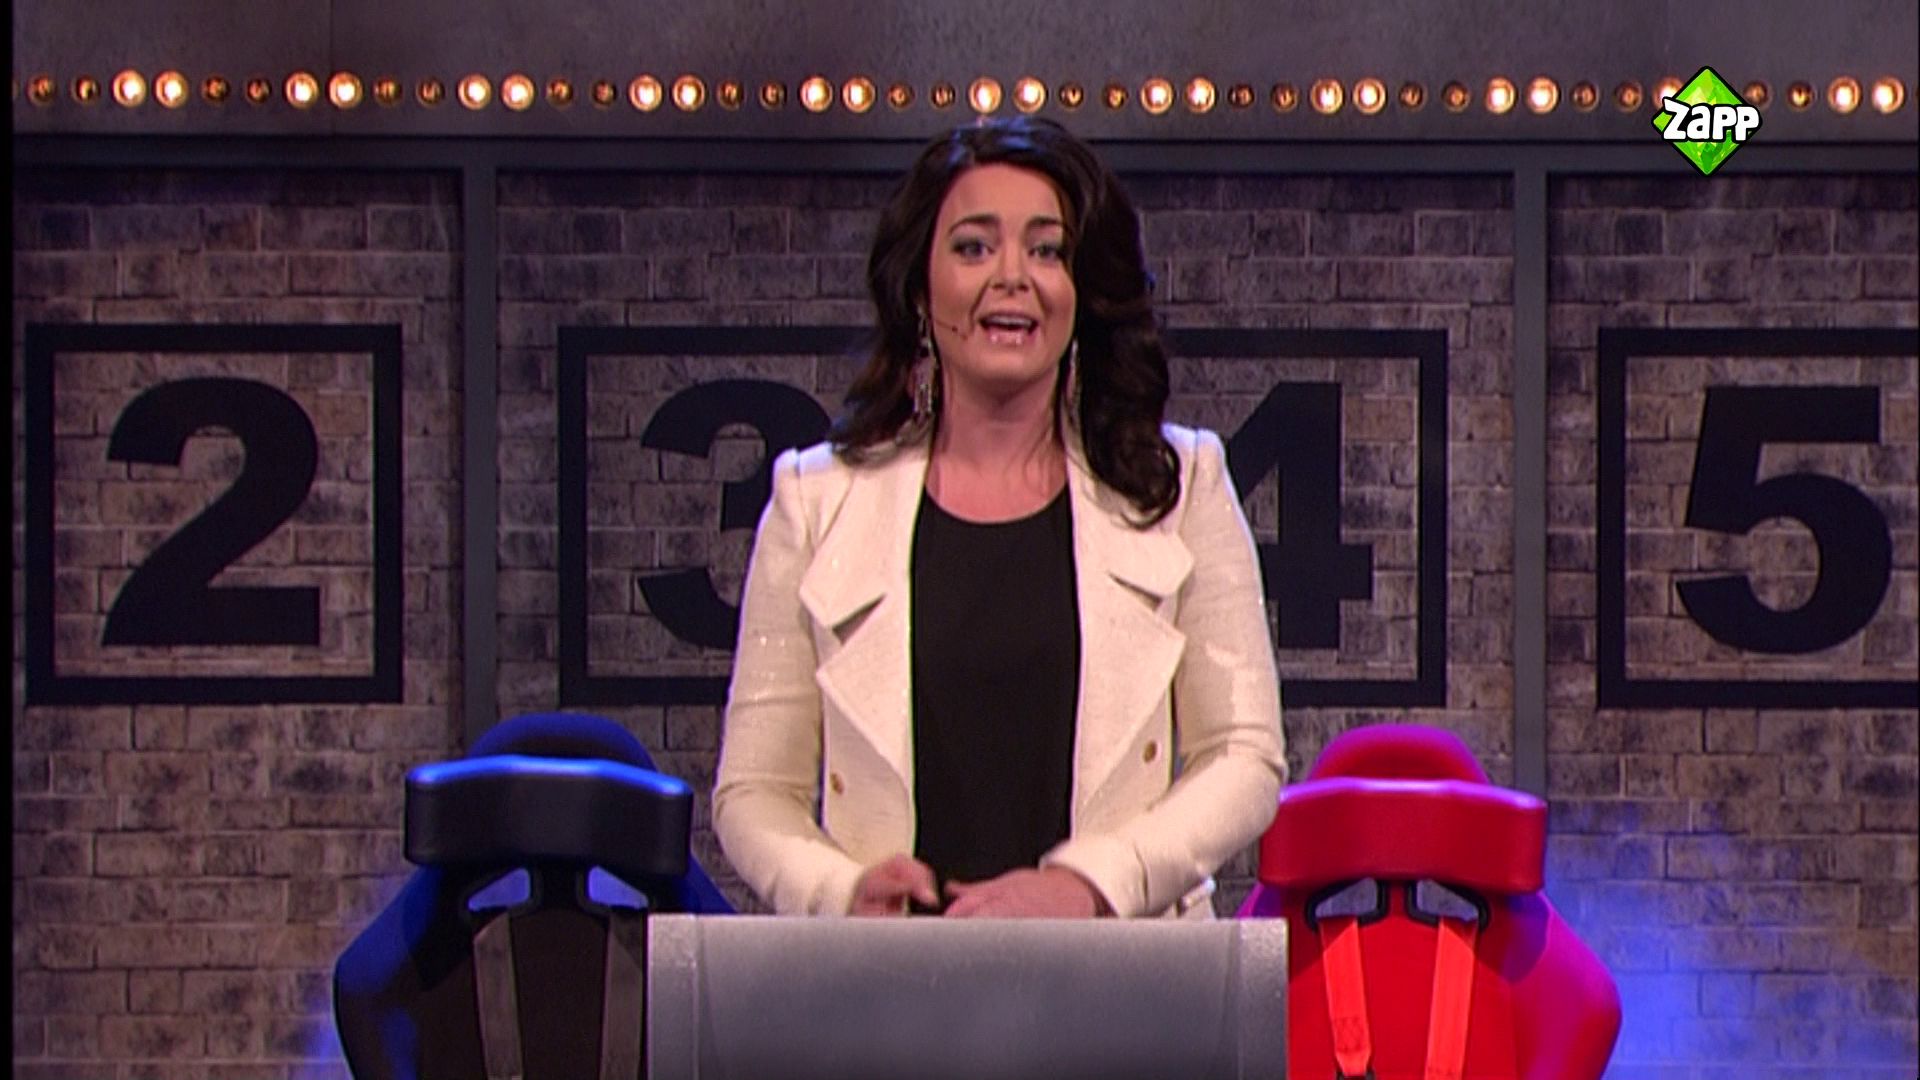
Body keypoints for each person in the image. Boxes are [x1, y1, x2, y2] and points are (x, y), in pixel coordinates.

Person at [712, 116, 1286, 919]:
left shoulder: (1180, 486)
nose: (1012, 277)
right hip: (891, 979)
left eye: (1047, 251)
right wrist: (838, 892)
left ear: (1081, 292)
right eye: (974, 247)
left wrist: (1092, 884)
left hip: (1119, 975)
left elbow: (1245, 757)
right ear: (921, 289)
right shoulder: (815, 501)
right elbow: (753, 792)